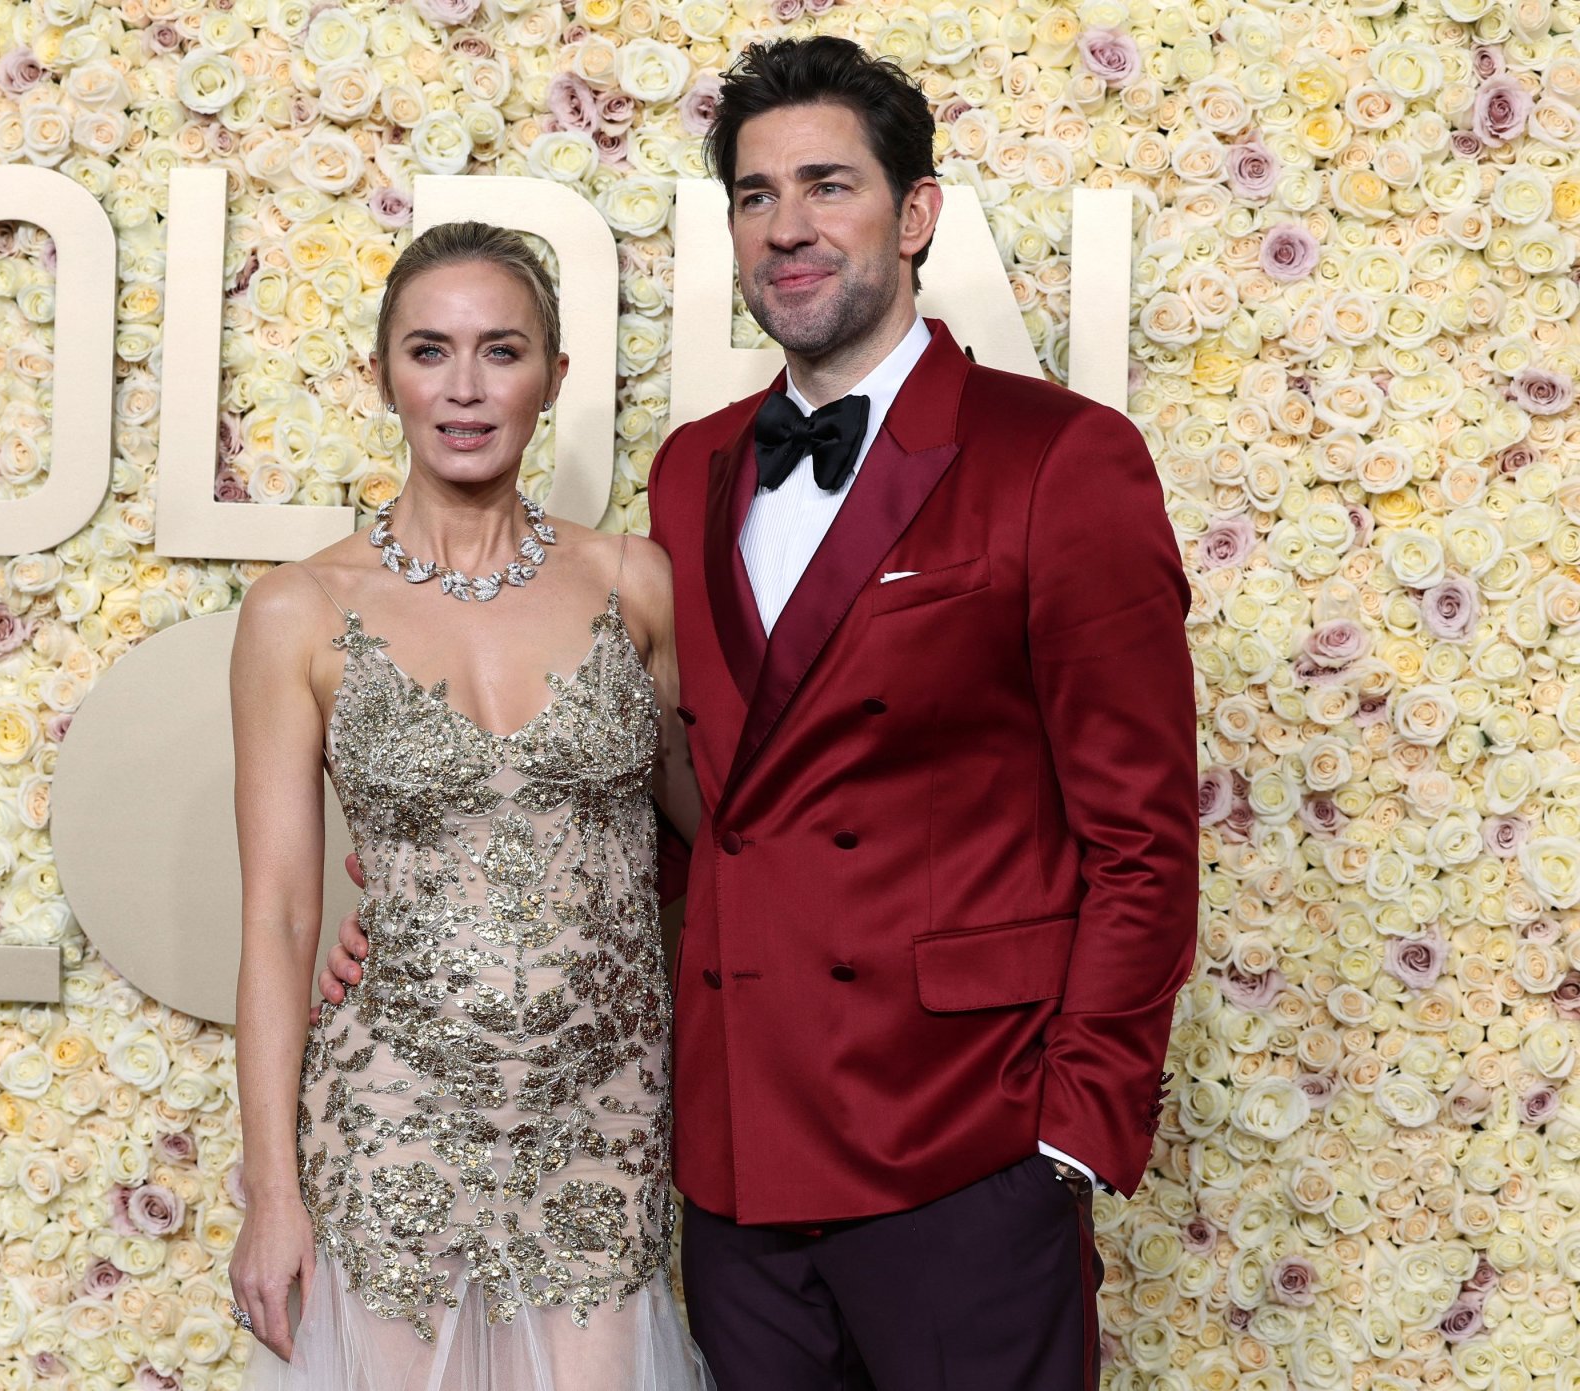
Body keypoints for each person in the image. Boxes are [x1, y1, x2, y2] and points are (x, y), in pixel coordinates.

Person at [318, 36, 1198, 1390]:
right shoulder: (694, 470)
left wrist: (1072, 1130)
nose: (787, 226)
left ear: (915, 214)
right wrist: (465, 907)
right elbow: (694, 794)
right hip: (735, 1158)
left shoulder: (1059, 458)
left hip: (965, 1141)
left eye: (827, 185)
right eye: (753, 194)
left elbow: (1142, 839)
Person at [225, 219, 713, 1390]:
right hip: (390, 1104)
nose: (463, 387)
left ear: (553, 376)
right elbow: (280, 918)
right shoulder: (298, 609)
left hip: (604, 1108)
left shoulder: (633, 580)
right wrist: (272, 1193)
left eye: (500, 350)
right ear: (380, 374)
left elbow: (724, 835)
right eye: (428, 350)